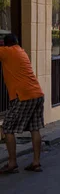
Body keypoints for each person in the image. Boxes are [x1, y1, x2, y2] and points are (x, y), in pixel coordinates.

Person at [0, 34, 45, 174]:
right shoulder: (21, 51)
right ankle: (36, 162)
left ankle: (12, 163)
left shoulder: (7, 52)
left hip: (23, 96)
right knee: (35, 127)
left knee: (7, 127)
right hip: (37, 93)